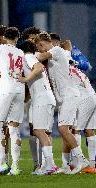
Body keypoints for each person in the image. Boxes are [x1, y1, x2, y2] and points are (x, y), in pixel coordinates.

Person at [34, 32, 90, 174]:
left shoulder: (56, 50)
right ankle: (68, 164)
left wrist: (26, 55)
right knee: (66, 130)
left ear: (42, 44)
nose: (40, 50)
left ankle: (81, 159)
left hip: (69, 95)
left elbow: (40, 56)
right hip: (65, 97)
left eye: (39, 47)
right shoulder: (58, 54)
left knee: (63, 129)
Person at [0, 27, 25, 176]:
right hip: (19, 90)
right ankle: (15, 167)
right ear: (17, 38)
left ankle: (1, 163)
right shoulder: (20, 52)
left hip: (6, 89)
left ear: (3, 37)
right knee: (14, 128)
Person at [18, 40, 57, 175]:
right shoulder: (32, 57)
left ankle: (50, 165)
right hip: (47, 97)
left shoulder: (27, 57)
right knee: (44, 132)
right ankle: (47, 165)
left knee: (39, 131)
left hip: (42, 98)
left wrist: (25, 79)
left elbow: (39, 68)